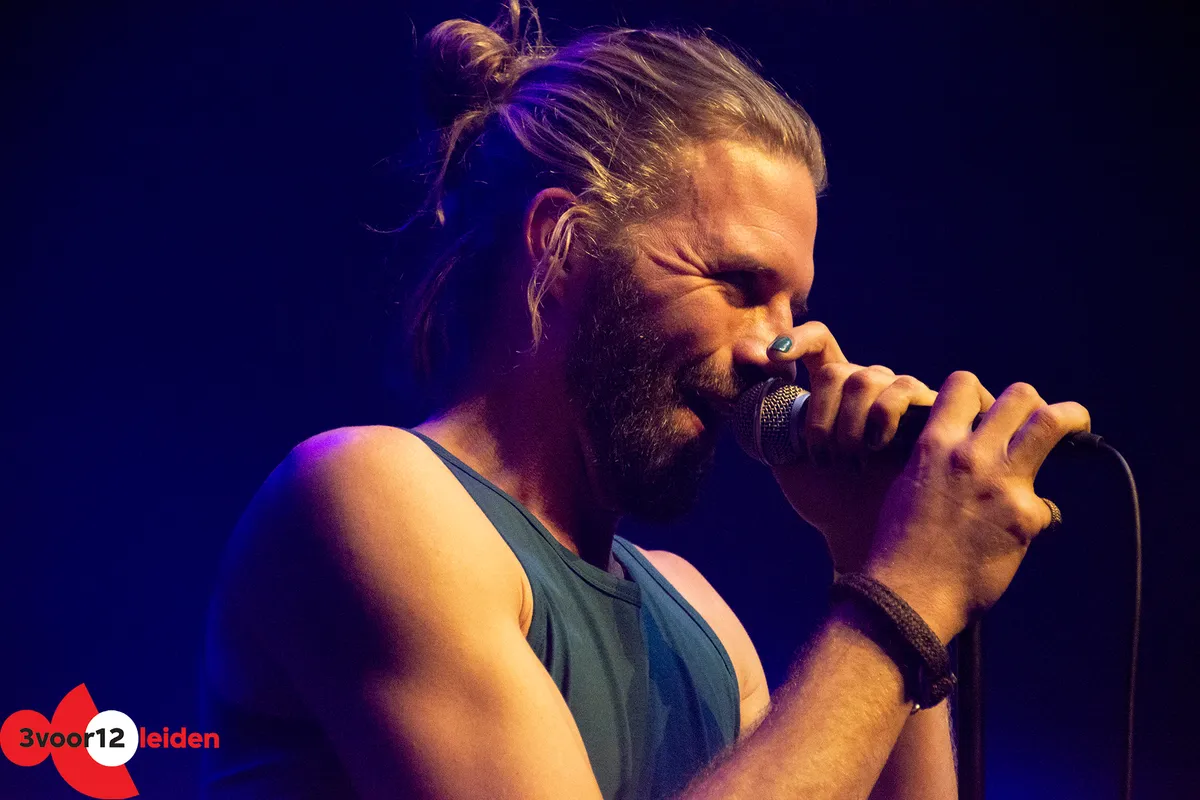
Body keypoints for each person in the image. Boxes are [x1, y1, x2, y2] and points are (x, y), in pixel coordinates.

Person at [203, 4, 1091, 798]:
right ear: (561, 244)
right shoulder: (367, 495)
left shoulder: (703, 623)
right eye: (740, 284)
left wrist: (872, 551)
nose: (784, 349)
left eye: (794, 305)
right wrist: (904, 594)